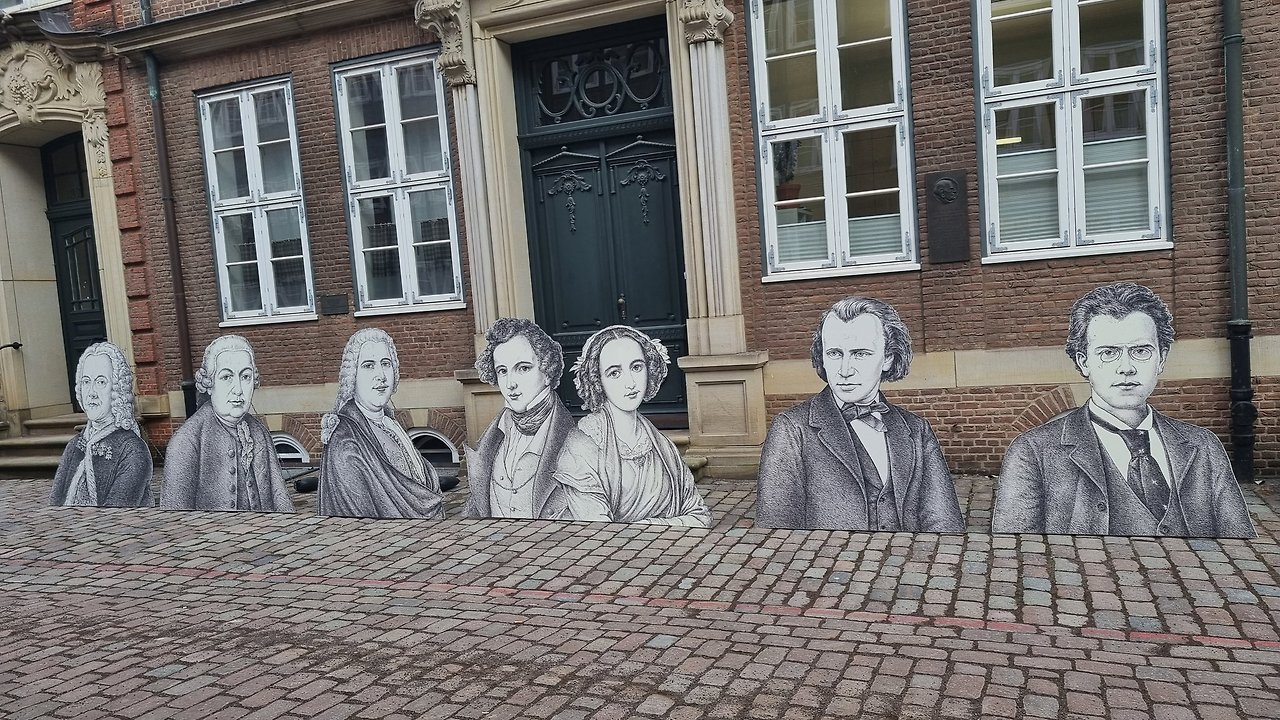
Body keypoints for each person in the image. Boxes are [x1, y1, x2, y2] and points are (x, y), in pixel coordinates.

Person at [994, 282, 1255, 538]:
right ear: (1084, 363)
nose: (1126, 368)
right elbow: (1016, 548)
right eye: (1108, 353)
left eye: (1140, 351)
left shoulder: (1204, 446)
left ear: (1161, 359)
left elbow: (1238, 540)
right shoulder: (1032, 451)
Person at [756, 297, 965, 532]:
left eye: (860, 354)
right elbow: (775, 529)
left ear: (888, 358)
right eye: (835, 353)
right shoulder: (792, 429)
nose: (845, 370)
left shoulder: (916, 430)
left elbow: (945, 524)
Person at [463, 318, 610, 521]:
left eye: (523, 368)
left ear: (547, 371)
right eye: (502, 371)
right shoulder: (492, 438)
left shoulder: (579, 441)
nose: (511, 383)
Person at [572, 325, 712, 527]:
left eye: (636, 367)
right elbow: (598, 530)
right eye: (614, 373)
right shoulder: (582, 447)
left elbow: (700, 517)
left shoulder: (663, 447)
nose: (630, 383)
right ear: (597, 381)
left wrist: (648, 526)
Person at [317, 328, 444, 519]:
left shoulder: (389, 422)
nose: (381, 376)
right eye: (369, 365)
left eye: (386, 364)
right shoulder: (345, 443)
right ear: (353, 375)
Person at [159, 335, 294, 513]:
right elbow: (175, 515)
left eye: (245, 376)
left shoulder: (259, 432)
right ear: (209, 383)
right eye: (226, 377)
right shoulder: (187, 441)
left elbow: (279, 496)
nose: (238, 389)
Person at [50, 342, 153, 507]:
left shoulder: (132, 449)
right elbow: (55, 502)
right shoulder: (74, 445)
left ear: (117, 389)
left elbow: (116, 512)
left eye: (101, 382)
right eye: (86, 382)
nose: (91, 393)